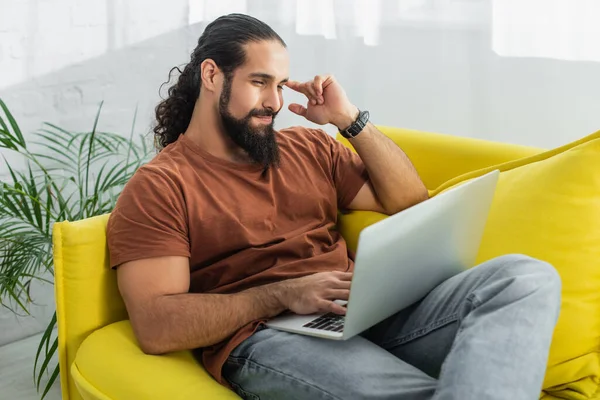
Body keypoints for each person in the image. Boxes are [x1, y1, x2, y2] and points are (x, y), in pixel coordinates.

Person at [107, 13, 561, 400]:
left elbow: (410, 202)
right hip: (269, 335)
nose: (276, 102)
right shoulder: (161, 186)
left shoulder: (308, 148)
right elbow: (156, 325)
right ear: (212, 76)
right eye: (259, 82)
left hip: (361, 307)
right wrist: (281, 294)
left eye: (281, 85)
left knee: (525, 277)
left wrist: (350, 121)